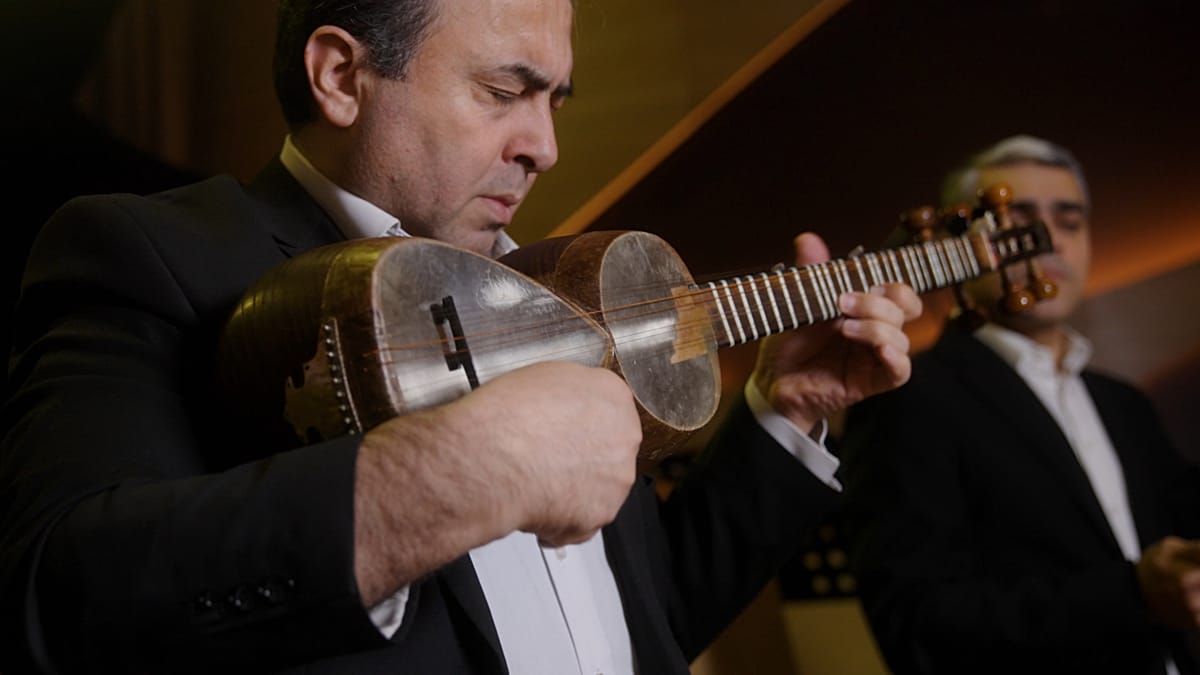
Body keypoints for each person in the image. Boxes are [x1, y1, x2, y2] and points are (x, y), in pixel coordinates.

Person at [0, 0, 921, 673]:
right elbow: (60, 594)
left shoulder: (559, 286)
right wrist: (455, 475)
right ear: (339, 76)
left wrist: (786, 412)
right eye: (502, 91)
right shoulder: (148, 253)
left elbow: (644, 621)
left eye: (555, 98)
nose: (545, 146)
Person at [837, 134, 1200, 675]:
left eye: (1070, 220)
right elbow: (916, 627)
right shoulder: (906, 398)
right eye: (1012, 218)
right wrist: (1132, 594)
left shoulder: (1124, 404)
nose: (1045, 238)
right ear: (958, 246)